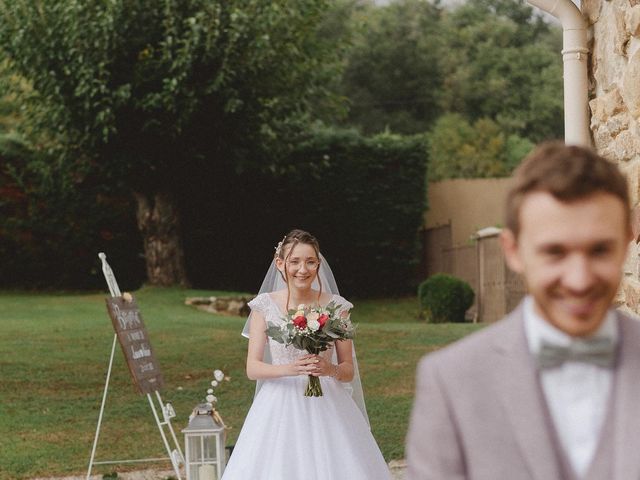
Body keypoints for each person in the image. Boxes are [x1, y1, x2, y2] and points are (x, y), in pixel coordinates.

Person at [406, 142, 640, 480]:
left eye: (600, 250)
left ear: (626, 241)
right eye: (555, 252)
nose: (579, 280)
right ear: (513, 250)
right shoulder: (451, 382)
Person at [222, 229, 391, 480]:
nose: (303, 269)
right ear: (280, 263)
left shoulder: (336, 307)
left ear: (318, 264)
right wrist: (291, 369)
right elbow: (253, 368)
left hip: (328, 402)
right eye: (295, 261)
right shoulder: (264, 306)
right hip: (278, 404)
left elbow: (347, 370)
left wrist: (328, 369)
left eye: (310, 261)